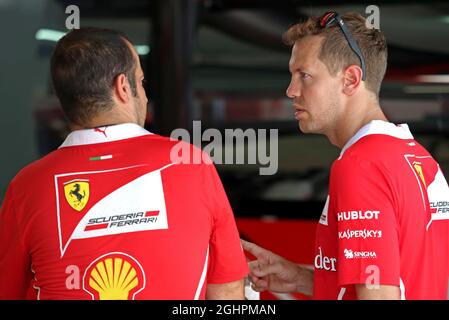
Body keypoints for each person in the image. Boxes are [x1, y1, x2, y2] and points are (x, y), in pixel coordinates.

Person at [0, 27, 248, 300]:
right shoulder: (191, 163)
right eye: (140, 82)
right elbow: (227, 291)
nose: (142, 94)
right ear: (123, 87)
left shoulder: (27, 186)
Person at [242, 11, 449, 300]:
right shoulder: (418, 157)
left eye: (305, 76)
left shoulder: (361, 165)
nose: (291, 91)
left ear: (350, 79)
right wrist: (300, 278)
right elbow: (399, 281)